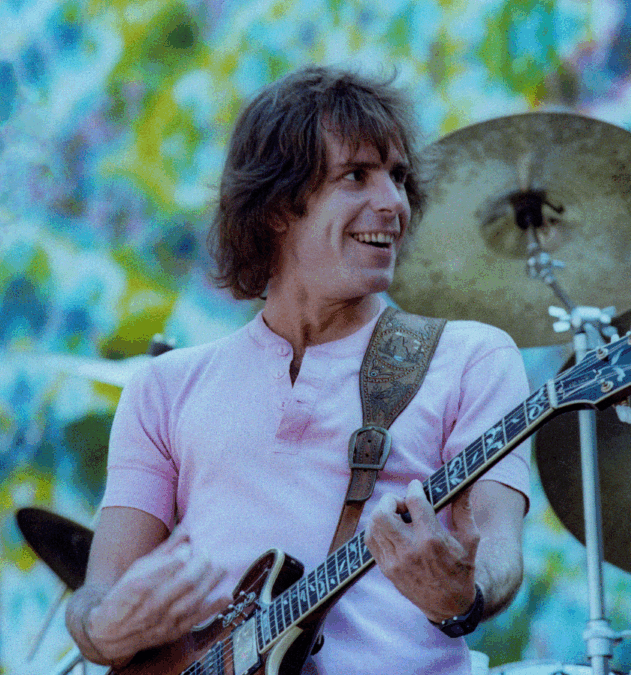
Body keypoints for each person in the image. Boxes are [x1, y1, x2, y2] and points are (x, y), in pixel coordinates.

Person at [65, 65, 531, 675]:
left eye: (397, 177)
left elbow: (497, 552)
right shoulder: (165, 388)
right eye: (356, 176)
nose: (392, 203)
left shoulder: (472, 357)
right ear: (279, 206)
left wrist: (460, 599)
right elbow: (97, 600)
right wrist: (104, 629)